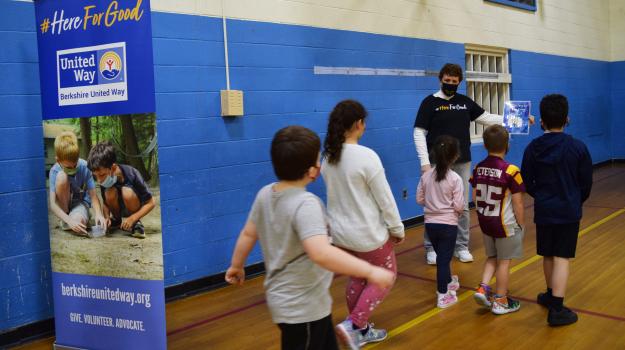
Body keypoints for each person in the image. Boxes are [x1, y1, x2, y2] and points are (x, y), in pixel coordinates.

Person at [225, 126, 395, 350]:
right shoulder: (307, 204)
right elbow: (321, 252)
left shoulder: (265, 193)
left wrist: (236, 265)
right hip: (301, 308)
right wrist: (370, 271)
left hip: (304, 303)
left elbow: (248, 233)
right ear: (312, 170)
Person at [413, 63, 534, 265]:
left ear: (459, 81)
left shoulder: (465, 102)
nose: (450, 84)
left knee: (461, 205)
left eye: (454, 81)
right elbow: (419, 132)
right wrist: (425, 162)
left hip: (462, 160)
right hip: (436, 163)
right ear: (441, 79)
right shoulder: (429, 103)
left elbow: (487, 118)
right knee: (434, 204)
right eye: (447, 80)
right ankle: (431, 247)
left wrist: (519, 118)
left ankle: (461, 246)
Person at [320, 100, 405, 348]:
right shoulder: (367, 157)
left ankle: (362, 329)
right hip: (368, 235)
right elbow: (385, 200)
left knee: (358, 277)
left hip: (340, 236)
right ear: (359, 124)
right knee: (384, 276)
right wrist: (397, 228)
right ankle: (354, 323)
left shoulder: (328, 157)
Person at [521, 94, 593, 326]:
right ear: (567, 119)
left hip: (544, 210)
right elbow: (586, 183)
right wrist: (574, 199)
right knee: (562, 256)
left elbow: (526, 180)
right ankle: (557, 309)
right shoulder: (578, 148)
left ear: (541, 121)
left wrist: (541, 196)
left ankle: (551, 294)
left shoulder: (533, 148)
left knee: (548, 254)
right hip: (568, 210)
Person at [470, 125, 525, 315]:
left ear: (485, 145)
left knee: (491, 257)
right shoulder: (511, 171)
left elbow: (475, 195)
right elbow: (518, 203)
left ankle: (483, 288)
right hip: (505, 224)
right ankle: (501, 300)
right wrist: (521, 223)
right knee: (504, 261)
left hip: (486, 221)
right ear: (507, 145)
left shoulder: (477, 168)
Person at [416, 135, 463, 308]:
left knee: (442, 257)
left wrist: (433, 203)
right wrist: (455, 210)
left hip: (430, 225)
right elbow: (458, 205)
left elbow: (420, 199)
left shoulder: (426, 176)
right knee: (443, 261)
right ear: (455, 156)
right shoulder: (455, 179)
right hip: (448, 225)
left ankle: (449, 281)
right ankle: (443, 295)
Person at [87, 141, 155, 239]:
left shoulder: (132, 173)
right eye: (95, 176)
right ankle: (116, 220)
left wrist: (133, 218)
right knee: (109, 192)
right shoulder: (105, 179)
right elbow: (106, 203)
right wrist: (106, 217)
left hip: (134, 208)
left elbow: (151, 203)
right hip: (117, 209)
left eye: (101, 175)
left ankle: (136, 224)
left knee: (127, 191)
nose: (99, 180)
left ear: (113, 168)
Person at [49, 131, 106, 236]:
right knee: (62, 176)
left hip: (79, 203)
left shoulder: (85, 166)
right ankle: (66, 218)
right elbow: (52, 204)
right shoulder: (54, 171)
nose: (73, 169)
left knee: (79, 224)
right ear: (58, 160)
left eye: (75, 165)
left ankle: (75, 218)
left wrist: (98, 214)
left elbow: (93, 196)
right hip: (63, 206)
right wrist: (69, 220)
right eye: (68, 167)